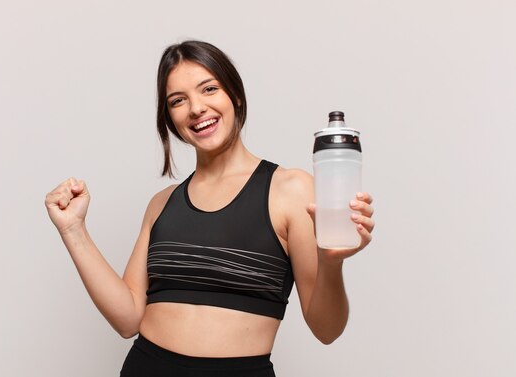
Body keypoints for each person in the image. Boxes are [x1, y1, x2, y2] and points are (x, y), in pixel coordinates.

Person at [44, 40, 375, 377]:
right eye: (178, 100)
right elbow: (128, 319)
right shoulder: (162, 204)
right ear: (171, 119)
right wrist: (73, 229)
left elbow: (326, 329)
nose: (196, 108)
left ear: (236, 96)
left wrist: (331, 264)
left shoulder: (291, 189)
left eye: (209, 89)